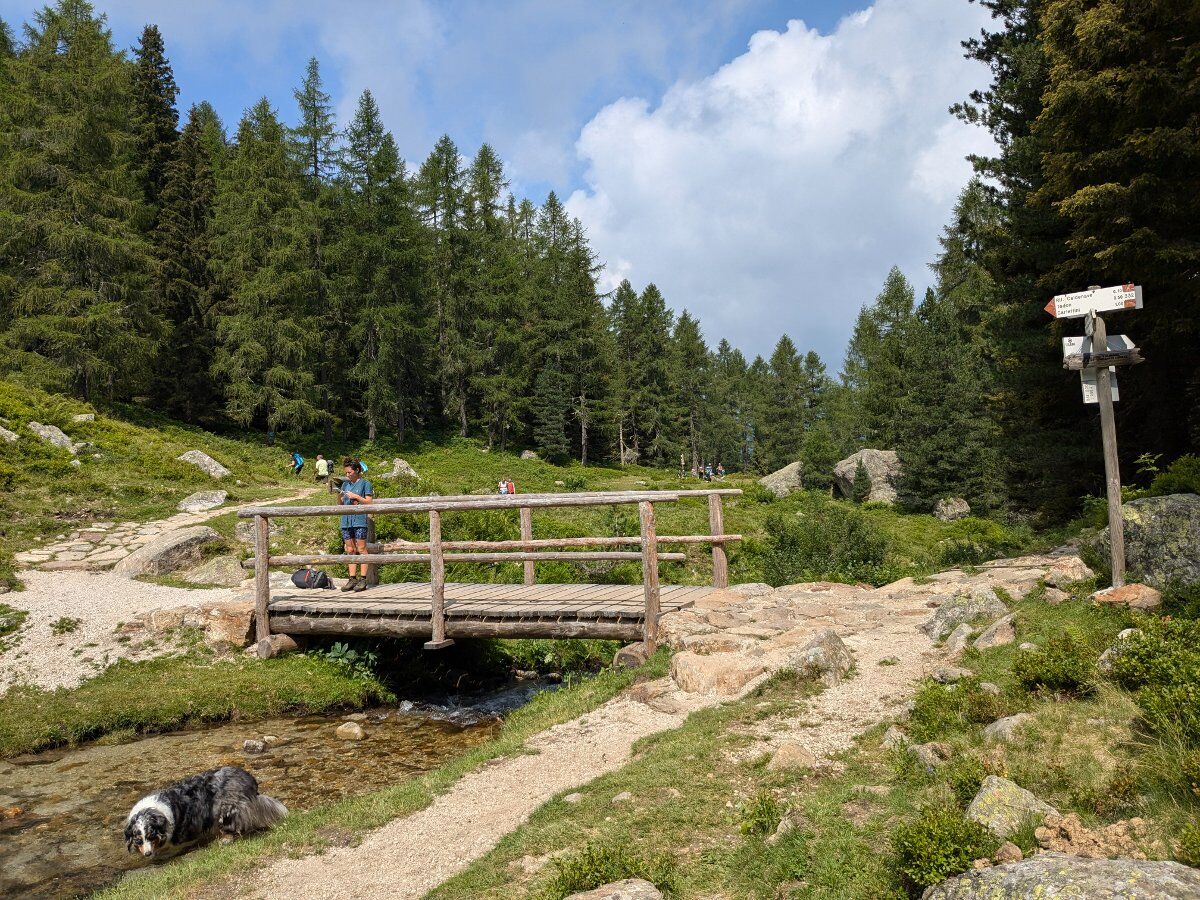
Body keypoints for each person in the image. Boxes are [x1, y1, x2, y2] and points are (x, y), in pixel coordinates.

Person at [338, 459, 373, 592]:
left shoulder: (365, 483)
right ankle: (352, 578)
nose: (347, 475)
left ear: (357, 470)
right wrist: (339, 495)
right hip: (346, 520)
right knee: (350, 549)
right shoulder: (345, 484)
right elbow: (340, 504)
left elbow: (369, 503)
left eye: (350, 472)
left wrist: (356, 497)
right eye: (346, 472)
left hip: (359, 520)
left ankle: (363, 579)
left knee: (362, 548)